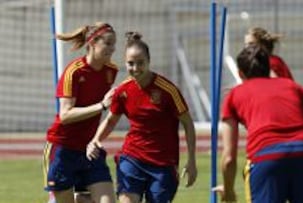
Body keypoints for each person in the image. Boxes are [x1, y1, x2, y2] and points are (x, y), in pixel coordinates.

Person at [86, 31, 197, 203]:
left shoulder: (168, 90)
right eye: (131, 63)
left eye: (140, 63)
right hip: (132, 158)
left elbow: (188, 123)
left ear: (149, 62)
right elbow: (110, 120)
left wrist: (191, 160)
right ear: (125, 63)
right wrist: (95, 140)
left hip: (163, 164)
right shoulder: (123, 90)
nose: (135, 68)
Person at [213, 44, 303, 203]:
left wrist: (229, 191)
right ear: (268, 68)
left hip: (266, 159)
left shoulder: (234, 95)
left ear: (240, 73)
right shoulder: (294, 87)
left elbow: (229, 157)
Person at [244, 27, 303, 203]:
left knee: (291, 160)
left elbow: (272, 82)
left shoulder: (269, 64)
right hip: (295, 112)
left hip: (286, 117)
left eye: (250, 44)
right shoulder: (275, 61)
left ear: (262, 45)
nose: (246, 48)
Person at [43, 22, 118, 203]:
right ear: (92, 43)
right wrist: (101, 105)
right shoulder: (73, 72)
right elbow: (65, 115)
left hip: (90, 149)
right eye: (107, 43)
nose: (112, 49)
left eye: (114, 44)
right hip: (62, 149)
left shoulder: (111, 71)